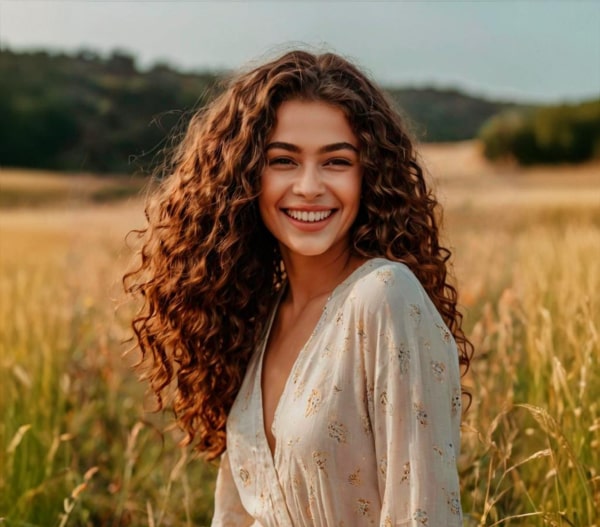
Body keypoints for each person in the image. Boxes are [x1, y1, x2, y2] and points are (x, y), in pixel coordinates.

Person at [124, 49, 472, 526]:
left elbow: (424, 513)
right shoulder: (260, 316)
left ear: (369, 175)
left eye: (336, 162)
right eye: (283, 160)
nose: (309, 186)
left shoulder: (386, 297)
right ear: (245, 176)